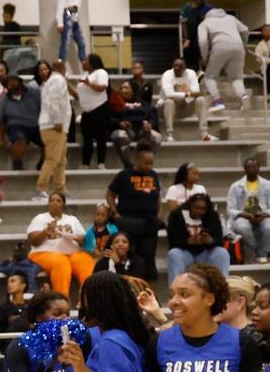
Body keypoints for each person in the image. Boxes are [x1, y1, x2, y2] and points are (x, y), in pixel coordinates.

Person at [107, 144, 161, 283]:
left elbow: (158, 196)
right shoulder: (124, 175)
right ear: (138, 160)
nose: (149, 166)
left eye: (151, 163)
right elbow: (110, 194)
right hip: (128, 221)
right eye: (146, 163)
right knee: (132, 256)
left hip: (149, 222)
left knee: (149, 258)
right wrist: (115, 212)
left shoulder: (153, 175)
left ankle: (149, 293)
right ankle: (130, 288)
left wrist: (158, 213)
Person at [25, 192, 91, 300]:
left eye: (58, 201)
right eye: (52, 201)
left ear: (63, 205)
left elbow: (83, 239)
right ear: (48, 204)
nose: (55, 203)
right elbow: (33, 240)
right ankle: (62, 303)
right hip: (43, 253)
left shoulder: (72, 219)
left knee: (86, 262)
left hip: (71, 252)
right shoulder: (40, 218)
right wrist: (46, 231)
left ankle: (87, 301)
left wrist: (74, 237)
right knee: (61, 262)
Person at [166, 192, 229, 280]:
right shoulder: (177, 215)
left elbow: (220, 239)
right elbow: (172, 241)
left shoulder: (212, 215)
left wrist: (211, 241)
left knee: (222, 253)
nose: (199, 211)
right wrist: (187, 241)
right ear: (190, 205)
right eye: (197, 207)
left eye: (203, 209)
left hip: (205, 253)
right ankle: (175, 290)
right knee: (174, 254)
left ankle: (222, 288)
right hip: (185, 253)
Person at [227, 157, 270, 263]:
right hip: (243, 216)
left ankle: (261, 256)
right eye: (248, 167)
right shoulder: (235, 186)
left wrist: (264, 215)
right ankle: (259, 251)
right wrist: (244, 214)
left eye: (254, 167)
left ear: (258, 168)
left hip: (263, 215)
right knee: (243, 227)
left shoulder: (269, 185)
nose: (251, 169)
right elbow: (231, 209)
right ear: (244, 169)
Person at [198, 8, 249, 113]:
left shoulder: (204, 23)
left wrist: (204, 57)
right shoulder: (231, 18)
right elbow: (245, 30)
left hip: (219, 46)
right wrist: (244, 44)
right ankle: (244, 97)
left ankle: (217, 102)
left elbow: (202, 41)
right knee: (236, 77)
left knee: (209, 77)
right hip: (238, 46)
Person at [36, 59, 72, 197]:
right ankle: (41, 188)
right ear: (63, 67)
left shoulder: (53, 80)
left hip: (58, 127)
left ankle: (60, 188)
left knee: (61, 160)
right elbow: (53, 100)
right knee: (52, 159)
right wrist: (57, 120)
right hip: (53, 125)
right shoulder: (58, 80)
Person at [160, 58, 212, 143]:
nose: (177, 68)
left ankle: (204, 133)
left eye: (180, 66)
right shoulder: (167, 75)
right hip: (169, 109)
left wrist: (179, 96)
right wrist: (186, 94)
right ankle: (169, 134)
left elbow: (196, 91)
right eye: (175, 66)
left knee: (201, 99)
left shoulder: (191, 73)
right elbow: (169, 94)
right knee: (170, 101)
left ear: (185, 68)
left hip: (186, 107)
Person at [0, 76, 42, 172]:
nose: (11, 83)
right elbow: (0, 121)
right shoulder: (4, 98)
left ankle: (42, 163)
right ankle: (17, 162)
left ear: (19, 81)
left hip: (36, 125)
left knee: (49, 141)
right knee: (19, 140)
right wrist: (1, 139)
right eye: (8, 82)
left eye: (13, 80)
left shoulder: (34, 92)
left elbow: (44, 108)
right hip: (16, 126)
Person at [75, 54, 110, 169]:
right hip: (87, 111)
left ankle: (101, 162)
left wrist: (88, 83)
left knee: (101, 137)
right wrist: (67, 84)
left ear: (92, 62)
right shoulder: (85, 75)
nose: (83, 62)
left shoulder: (101, 72)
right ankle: (85, 163)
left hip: (99, 108)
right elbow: (77, 95)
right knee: (87, 138)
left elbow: (101, 88)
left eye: (85, 60)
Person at [180, 0, 213, 72]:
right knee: (190, 60)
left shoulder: (208, 8)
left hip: (204, 37)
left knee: (205, 59)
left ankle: (206, 74)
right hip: (191, 38)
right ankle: (194, 74)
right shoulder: (186, 8)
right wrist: (186, 39)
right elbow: (183, 23)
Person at [56, 0, 86, 64]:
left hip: (74, 17)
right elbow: (60, 5)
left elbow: (77, 7)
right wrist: (60, 22)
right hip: (67, 15)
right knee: (65, 43)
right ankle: (61, 64)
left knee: (81, 43)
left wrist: (76, 18)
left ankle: (85, 63)